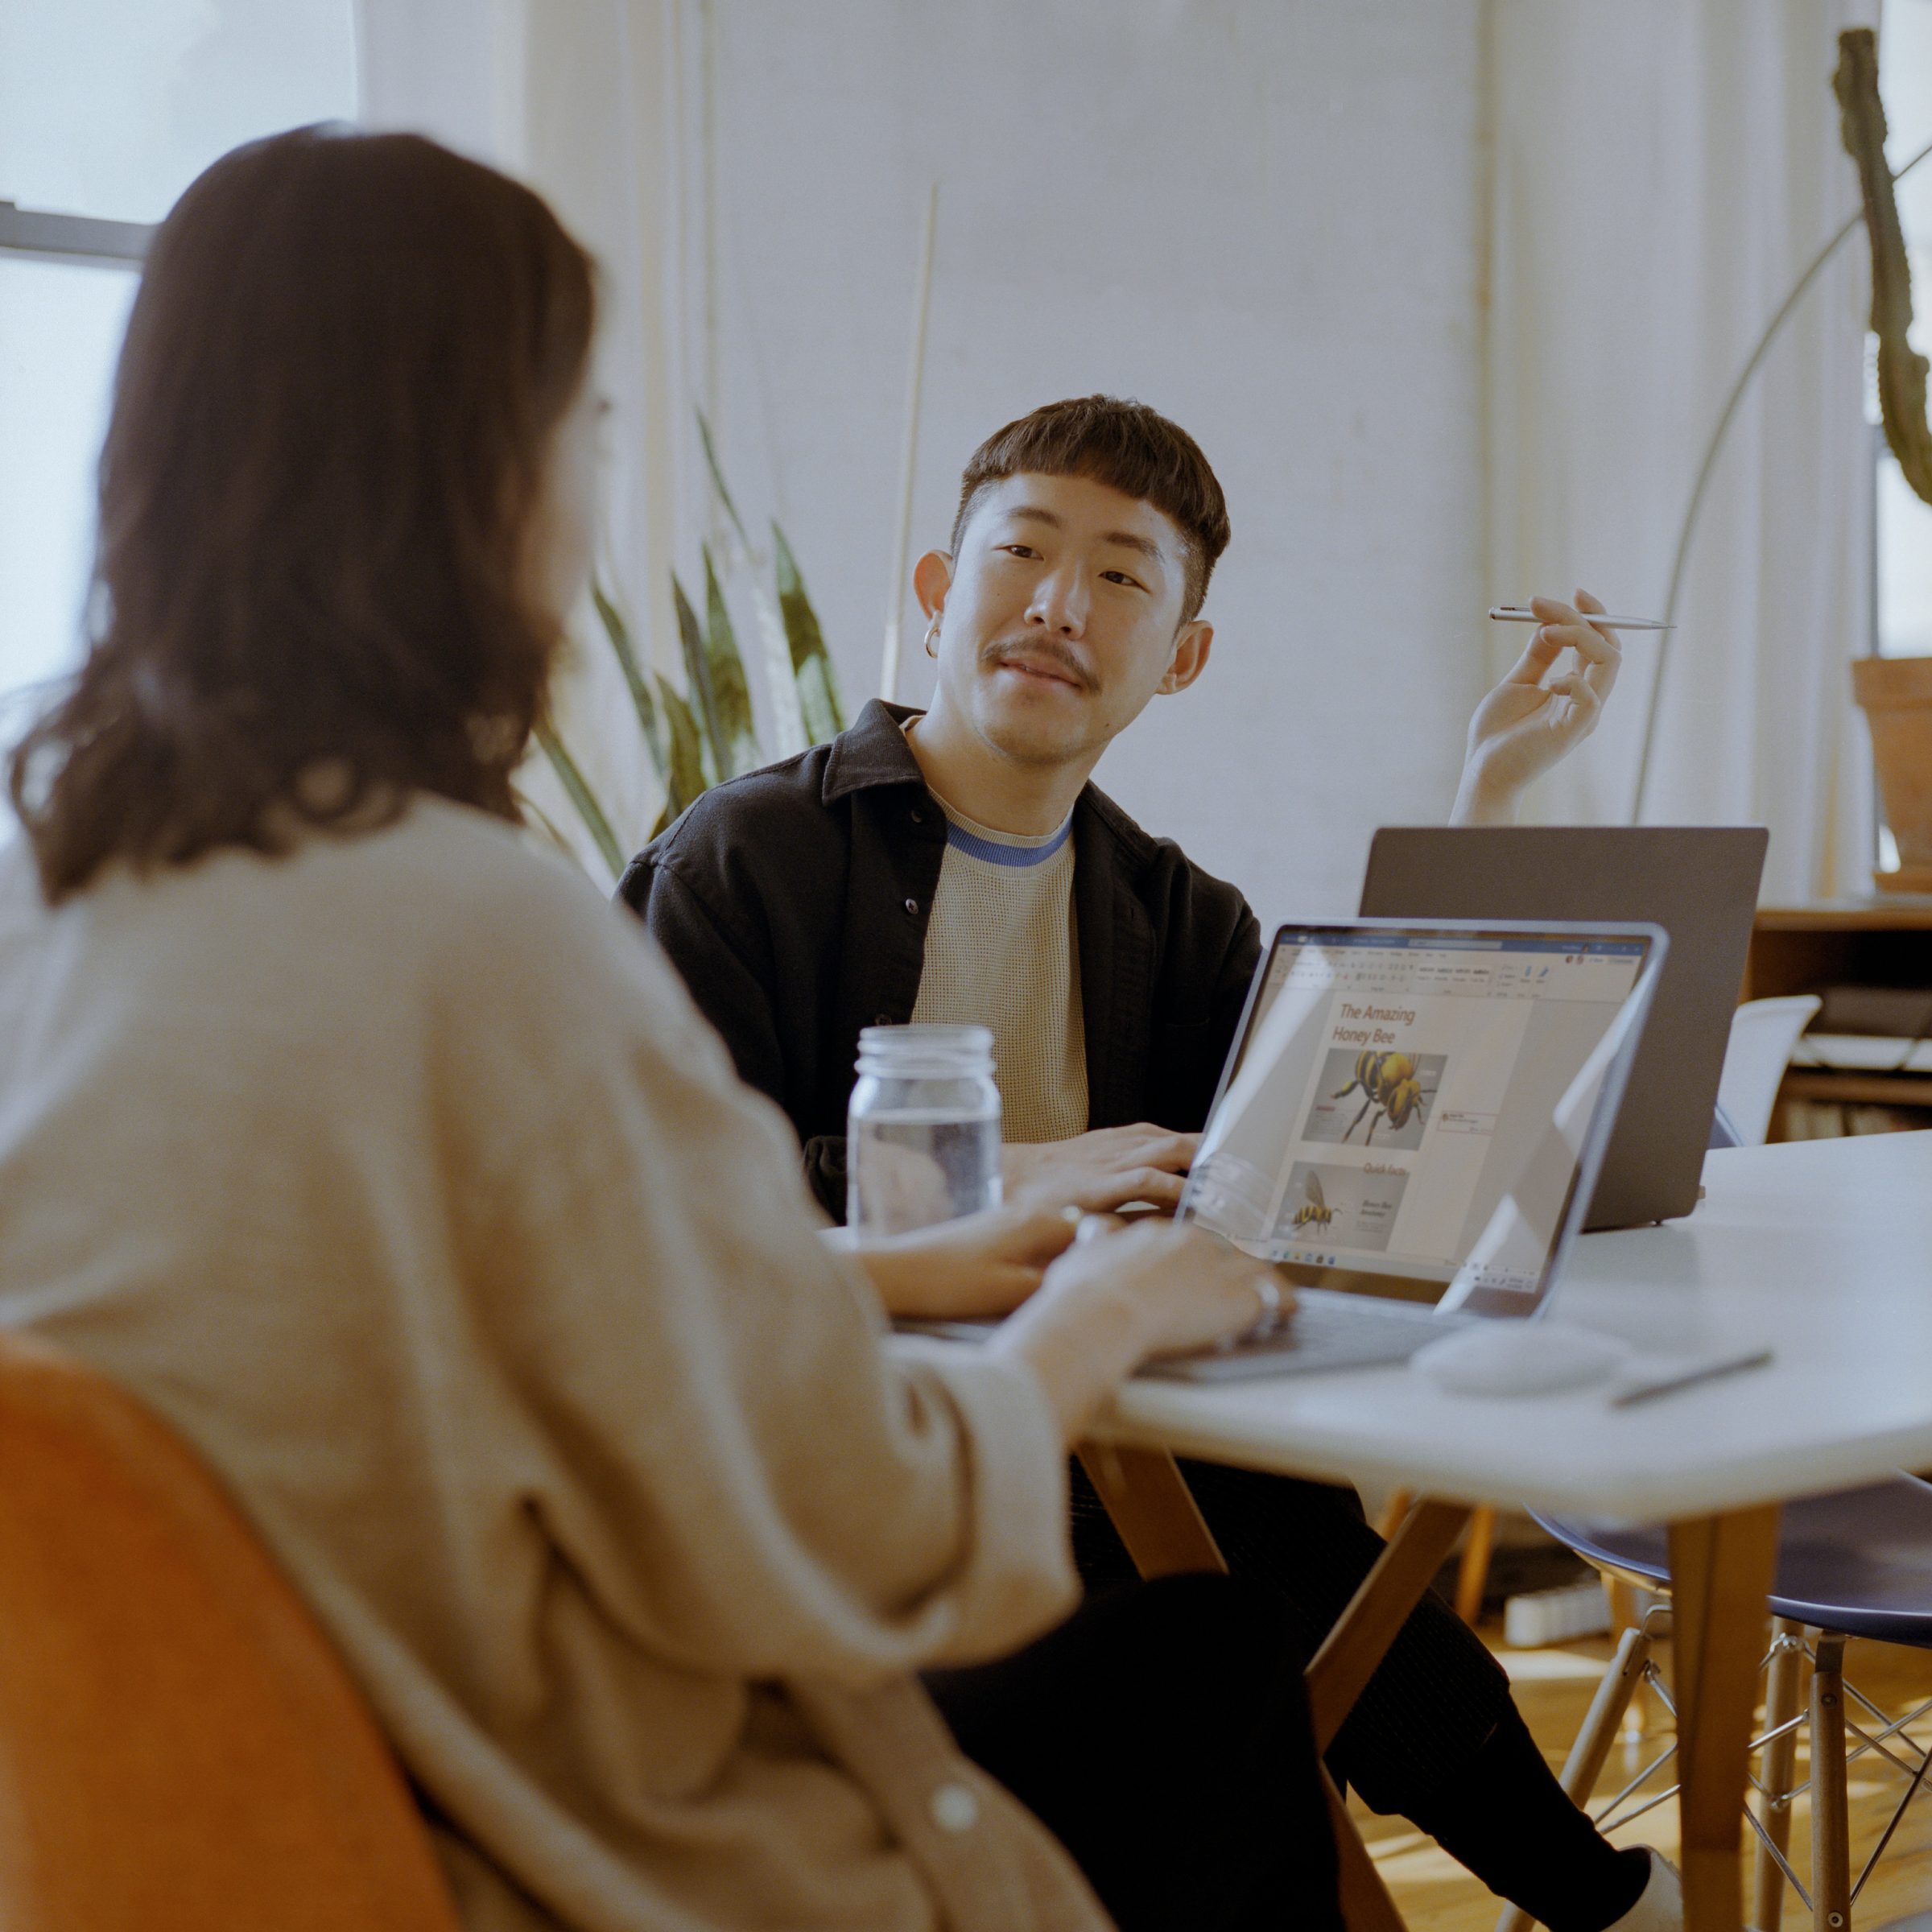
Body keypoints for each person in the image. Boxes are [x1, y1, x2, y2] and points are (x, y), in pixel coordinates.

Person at [0, 130, 1348, 1932]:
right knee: (1213, 1669)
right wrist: (1104, 1309)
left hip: (204, 1834)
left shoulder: (52, 890)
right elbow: (868, 1535)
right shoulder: (490, 935)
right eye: (589, 432)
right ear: (484, 479)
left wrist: (890, 1273)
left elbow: (445, 1319)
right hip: (552, 1844)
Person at [621, 398, 1679, 1932]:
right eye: (1024, 552)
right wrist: (1029, 1171)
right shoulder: (744, 860)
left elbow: (1328, 1160)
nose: (1062, 604)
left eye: (1124, 577)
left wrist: (1487, 795)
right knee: (1247, 1633)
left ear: (1180, 653)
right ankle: (1605, 1907)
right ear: (937, 588)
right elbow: (677, 1211)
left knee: (1298, 1564)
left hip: (1119, 1445)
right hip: (837, 1464)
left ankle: (1605, 1908)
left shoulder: (1183, 918)